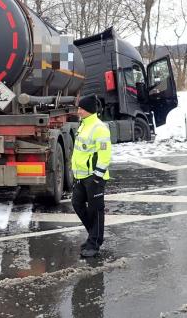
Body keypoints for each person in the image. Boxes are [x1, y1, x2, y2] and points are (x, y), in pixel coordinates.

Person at [71, 94, 112, 258]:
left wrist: (98, 175)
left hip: (94, 177)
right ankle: (94, 236)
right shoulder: (83, 125)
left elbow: (105, 153)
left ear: (88, 110)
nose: (78, 111)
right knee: (77, 204)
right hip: (81, 176)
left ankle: (94, 243)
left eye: (81, 108)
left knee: (96, 211)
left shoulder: (99, 128)